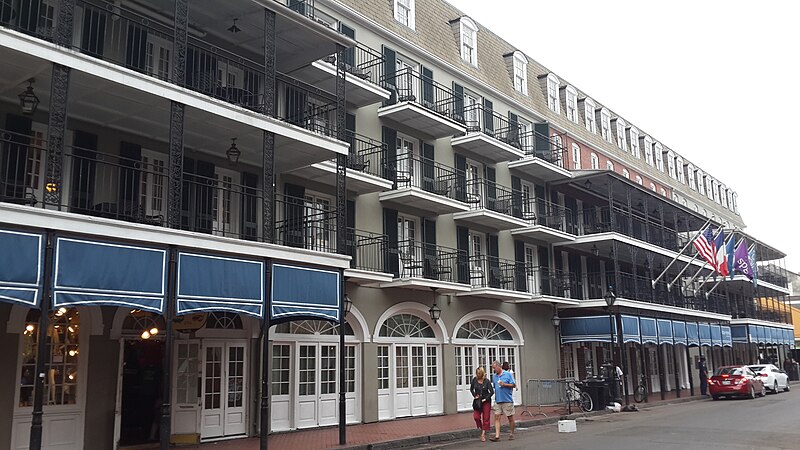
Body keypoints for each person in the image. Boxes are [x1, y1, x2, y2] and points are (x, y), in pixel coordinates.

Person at [489, 360, 516, 442]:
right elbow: (495, 386)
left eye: (494, 368)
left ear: (499, 366)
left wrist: (505, 384)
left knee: (510, 417)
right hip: (498, 400)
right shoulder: (494, 376)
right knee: (497, 417)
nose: (494, 370)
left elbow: (514, 385)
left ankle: (511, 432)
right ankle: (497, 436)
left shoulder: (508, 374)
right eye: (493, 368)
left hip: (507, 400)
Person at [470, 366, 493, 442]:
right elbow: (471, 389)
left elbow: (492, 391)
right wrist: (474, 395)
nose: (477, 375)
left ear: (482, 374)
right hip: (477, 402)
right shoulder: (474, 380)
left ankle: (483, 434)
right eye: (477, 373)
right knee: (476, 417)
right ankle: (481, 427)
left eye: (479, 374)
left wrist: (485, 399)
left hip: (486, 402)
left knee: (486, 418)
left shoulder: (487, 381)